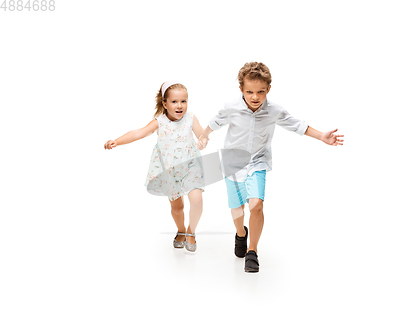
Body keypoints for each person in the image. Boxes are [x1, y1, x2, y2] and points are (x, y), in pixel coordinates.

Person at [197, 62, 343, 272]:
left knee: (256, 205)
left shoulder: (274, 110)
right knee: (237, 208)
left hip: (258, 162)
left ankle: (252, 251)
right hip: (232, 164)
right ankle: (241, 234)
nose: (255, 97)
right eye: (249, 92)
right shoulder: (231, 107)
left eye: (260, 92)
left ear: (268, 89)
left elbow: (297, 124)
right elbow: (215, 122)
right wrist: (203, 137)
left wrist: (321, 136)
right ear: (241, 90)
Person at [104, 81, 205, 252]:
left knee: (196, 199)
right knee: (177, 207)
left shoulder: (190, 118)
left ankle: (191, 231)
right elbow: (138, 133)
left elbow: (201, 134)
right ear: (165, 104)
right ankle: (180, 229)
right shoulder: (160, 122)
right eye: (174, 102)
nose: (180, 106)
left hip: (191, 166)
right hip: (170, 170)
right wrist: (117, 141)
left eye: (184, 101)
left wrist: (203, 140)